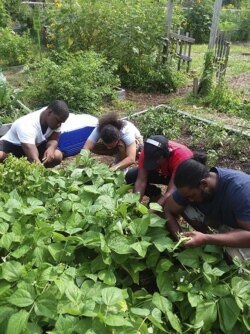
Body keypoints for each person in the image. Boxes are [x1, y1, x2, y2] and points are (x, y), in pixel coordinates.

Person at [164, 159, 250, 249]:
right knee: (184, 206)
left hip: (244, 227)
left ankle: (216, 240)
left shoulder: (241, 190)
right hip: (225, 218)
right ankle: (208, 236)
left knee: (237, 257)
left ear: (204, 184)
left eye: (192, 196)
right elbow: (168, 210)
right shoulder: (190, 185)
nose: (190, 200)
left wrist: (206, 239)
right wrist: (180, 239)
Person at [125, 135, 205, 206]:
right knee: (131, 176)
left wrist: (154, 209)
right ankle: (155, 194)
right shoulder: (147, 151)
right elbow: (141, 181)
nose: (152, 163)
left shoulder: (181, 157)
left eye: (155, 161)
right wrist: (135, 204)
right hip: (162, 172)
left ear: (165, 155)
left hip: (180, 177)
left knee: (173, 200)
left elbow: (171, 190)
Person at [0, 100, 69, 167]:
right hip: (13, 145)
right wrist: (41, 176)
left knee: (57, 155)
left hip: (35, 144)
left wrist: (51, 148)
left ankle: (32, 170)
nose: (59, 125)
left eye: (61, 122)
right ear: (49, 113)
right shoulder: (27, 124)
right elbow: (33, 158)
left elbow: (54, 139)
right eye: (58, 121)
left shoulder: (55, 119)